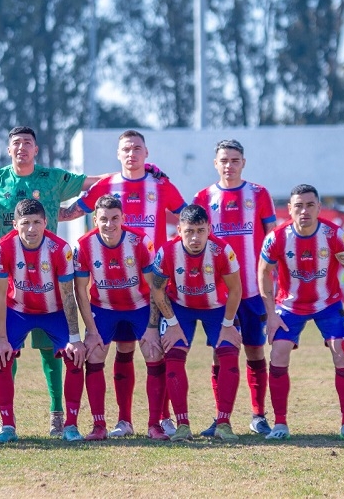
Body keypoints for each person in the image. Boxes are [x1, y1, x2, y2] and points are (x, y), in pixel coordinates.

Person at [60, 129, 186, 437]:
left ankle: (162, 419)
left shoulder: (160, 184)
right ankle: (118, 422)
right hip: (107, 293)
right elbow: (72, 212)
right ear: (118, 155)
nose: (131, 153)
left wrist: (177, 254)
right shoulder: (105, 187)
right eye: (126, 149)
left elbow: (188, 219)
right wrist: (33, 212)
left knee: (155, 349)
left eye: (137, 148)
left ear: (146, 153)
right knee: (118, 351)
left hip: (148, 286)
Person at [258, 184, 344, 441]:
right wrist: (271, 314)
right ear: (290, 209)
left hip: (327, 304)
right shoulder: (277, 237)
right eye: (298, 205)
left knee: (341, 351)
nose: (304, 210)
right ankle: (280, 424)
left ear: (319, 207)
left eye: (309, 205)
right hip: (289, 306)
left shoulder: (334, 235)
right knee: (279, 352)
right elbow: (263, 272)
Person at [192, 139, 276, 436]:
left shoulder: (259, 194)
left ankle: (258, 415)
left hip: (252, 291)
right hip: (219, 293)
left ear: (244, 162)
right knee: (221, 352)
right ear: (216, 163)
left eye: (235, 160)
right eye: (224, 160)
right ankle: (221, 417)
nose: (229, 165)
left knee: (254, 350)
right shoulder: (203, 196)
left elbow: (271, 240)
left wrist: (272, 283)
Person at [0, 199, 87, 442]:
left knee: (75, 355)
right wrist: (0, 339)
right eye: (25, 223)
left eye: (36, 223)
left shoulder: (60, 248)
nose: (31, 229)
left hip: (53, 312)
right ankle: (7, 424)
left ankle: (70, 425)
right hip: (18, 310)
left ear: (45, 223)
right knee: (2, 356)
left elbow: (68, 295)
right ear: (15, 224)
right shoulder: (3, 247)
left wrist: (75, 338)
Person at [73, 195, 169, 441]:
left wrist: (151, 326)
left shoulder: (139, 241)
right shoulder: (83, 245)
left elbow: (156, 287)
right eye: (103, 219)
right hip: (103, 308)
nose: (109, 224)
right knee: (95, 352)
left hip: (139, 306)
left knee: (153, 351)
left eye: (115, 218)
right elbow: (81, 292)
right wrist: (91, 330)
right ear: (95, 220)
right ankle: (100, 425)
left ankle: (154, 424)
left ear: (123, 218)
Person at [145, 204, 243, 442]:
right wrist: (172, 322)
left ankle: (224, 423)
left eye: (200, 230)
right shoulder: (167, 251)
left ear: (209, 229)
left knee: (229, 354)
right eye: (189, 231)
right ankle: (182, 425)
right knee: (174, 355)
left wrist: (228, 324)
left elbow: (235, 289)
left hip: (217, 309)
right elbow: (157, 290)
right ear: (179, 229)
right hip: (181, 308)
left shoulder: (222, 251)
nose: (195, 237)